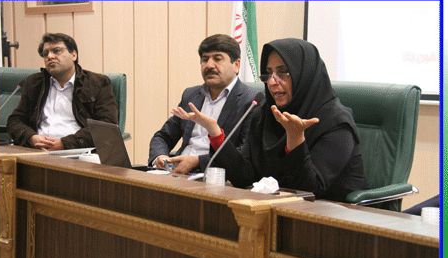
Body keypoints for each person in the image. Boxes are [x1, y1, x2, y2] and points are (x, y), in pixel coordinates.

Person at [173, 38, 368, 199]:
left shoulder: (336, 122)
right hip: (278, 210)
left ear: (304, 75)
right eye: (268, 74)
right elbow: (244, 176)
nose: (273, 82)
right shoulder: (264, 114)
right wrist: (215, 132)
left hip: (340, 216)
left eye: (283, 72)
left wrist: (295, 139)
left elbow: (310, 190)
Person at [148, 34, 255, 174]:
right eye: (205, 59)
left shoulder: (251, 101)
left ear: (236, 65)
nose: (209, 65)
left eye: (217, 59)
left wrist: (198, 161)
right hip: (177, 172)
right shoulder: (191, 95)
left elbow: (243, 155)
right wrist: (160, 157)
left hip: (214, 175)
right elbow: (163, 136)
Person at [7, 33, 118, 150]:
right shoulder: (34, 83)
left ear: (74, 55)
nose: (50, 56)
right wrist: (31, 138)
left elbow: (107, 126)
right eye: (45, 54)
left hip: (78, 152)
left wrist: (65, 143)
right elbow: (15, 121)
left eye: (57, 51)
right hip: (38, 151)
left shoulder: (97, 83)